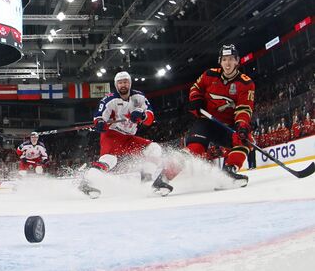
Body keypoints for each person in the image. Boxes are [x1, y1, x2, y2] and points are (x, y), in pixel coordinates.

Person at [160, 44, 255, 193]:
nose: (228, 63)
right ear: (220, 61)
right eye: (224, 59)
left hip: (227, 126)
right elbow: (195, 88)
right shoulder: (209, 75)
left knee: (246, 139)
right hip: (206, 122)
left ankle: (228, 173)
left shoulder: (246, 83)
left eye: (231, 59)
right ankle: (162, 179)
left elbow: (244, 108)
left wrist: (242, 126)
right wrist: (196, 99)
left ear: (237, 61)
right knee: (194, 149)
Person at [80, 71, 164, 197]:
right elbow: (99, 116)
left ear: (129, 83)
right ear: (116, 85)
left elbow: (150, 118)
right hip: (112, 135)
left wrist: (143, 115)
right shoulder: (109, 99)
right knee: (110, 160)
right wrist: (100, 123)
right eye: (120, 83)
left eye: (125, 82)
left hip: (129, 137)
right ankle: (86, 182)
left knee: (154, 149)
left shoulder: (140, 97)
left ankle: (146, 179)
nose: (123, 85)